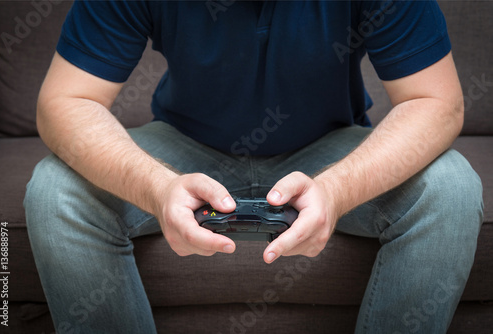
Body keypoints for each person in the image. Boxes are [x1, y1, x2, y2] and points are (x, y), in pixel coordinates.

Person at [24, 0, 483, 333]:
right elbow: (65, 101)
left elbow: (436, 101)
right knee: (55, 189)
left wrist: (339, 188)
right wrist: (156, 188)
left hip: (326, 150)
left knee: (451, 186)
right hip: (183, 149)